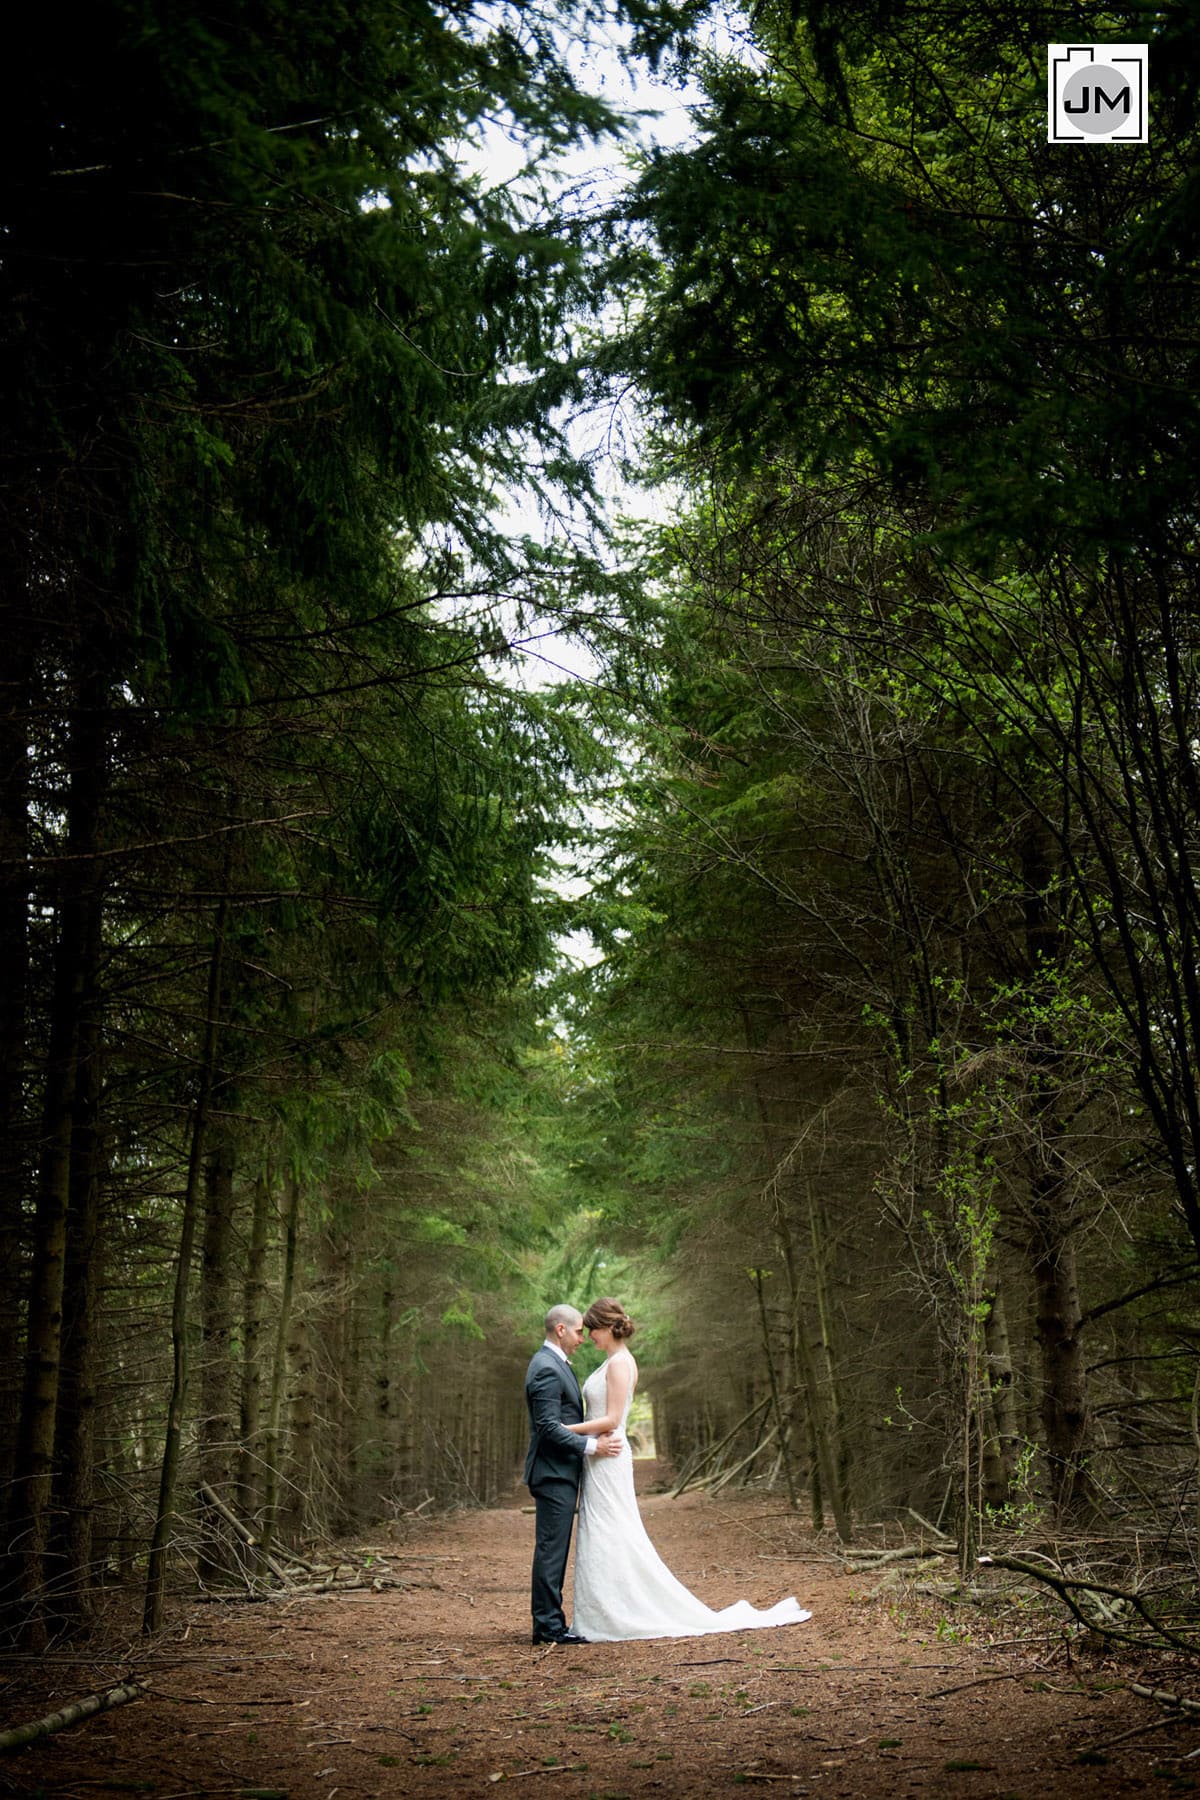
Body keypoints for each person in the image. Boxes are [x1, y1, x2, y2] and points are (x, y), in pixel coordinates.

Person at [565, 1297, 813, 1642]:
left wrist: (563, 1430)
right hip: (600, 1457)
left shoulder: (620, 1363)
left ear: (608, 1327)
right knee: (603, 1528)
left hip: (609, 1455)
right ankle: (604, 1609)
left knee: (611, 1528)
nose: (589, 1335)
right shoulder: (612, 1361)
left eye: (592, 1329)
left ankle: (613, 1613)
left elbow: (611, 1419)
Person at [524, 1303, 622, 1645]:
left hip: (560, 1471)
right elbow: (548, 1426)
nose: (583, 1337)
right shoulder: (546, 1367)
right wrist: (593, 1447)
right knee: (551, 1550)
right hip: (552, 1473)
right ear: (561, 1330)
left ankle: (550, 1622)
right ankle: (548, 1627)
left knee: (554, 1549)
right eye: (579, 1331)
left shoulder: (554, 1364)